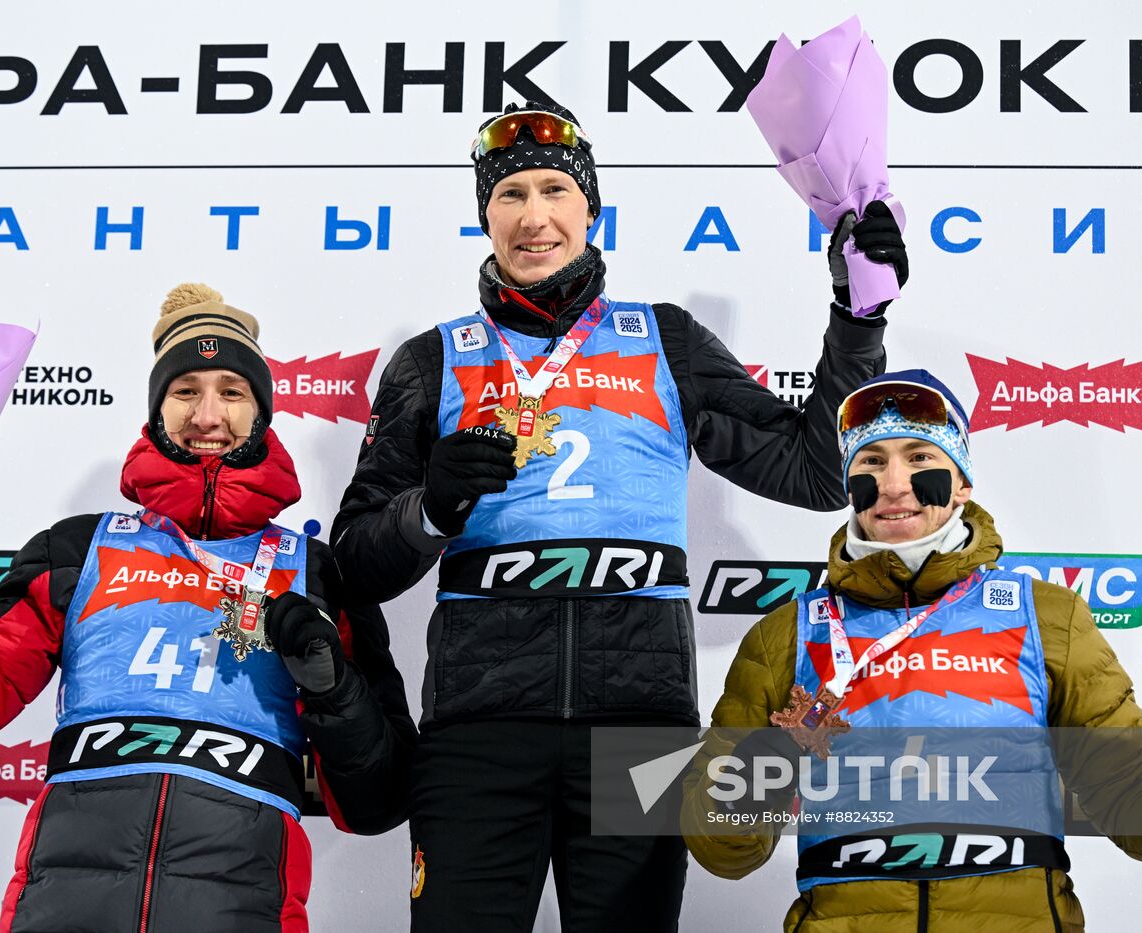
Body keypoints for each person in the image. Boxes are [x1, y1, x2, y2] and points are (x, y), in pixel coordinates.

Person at [330, 101, 907, 931]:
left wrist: (859, 318)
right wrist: (434, 507)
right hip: (479, 733)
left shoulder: (661, 338)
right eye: (511, 195)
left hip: (640, 731)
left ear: (590, 209)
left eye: (556, 190)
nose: (534, 217)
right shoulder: (432, 360)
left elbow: (817, 472)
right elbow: (353, 562)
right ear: (484, 216)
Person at [0, 284, 417, 933]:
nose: (208, 414)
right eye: (185, 389)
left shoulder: (315, 573)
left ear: (263, 410)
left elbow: (376, 802)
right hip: (67, 908)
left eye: (232, 390)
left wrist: (333, 689)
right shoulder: (78, 549)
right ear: (156, 408)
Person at [681, 370, 1142, 931]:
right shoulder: (787, 634)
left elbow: (1119, 771)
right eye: (871, 462)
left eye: (921, 459)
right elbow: (721, 848)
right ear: (847, 484)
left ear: (962, 482)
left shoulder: (1044, 615)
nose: (895, 485)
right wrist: (765, 761)